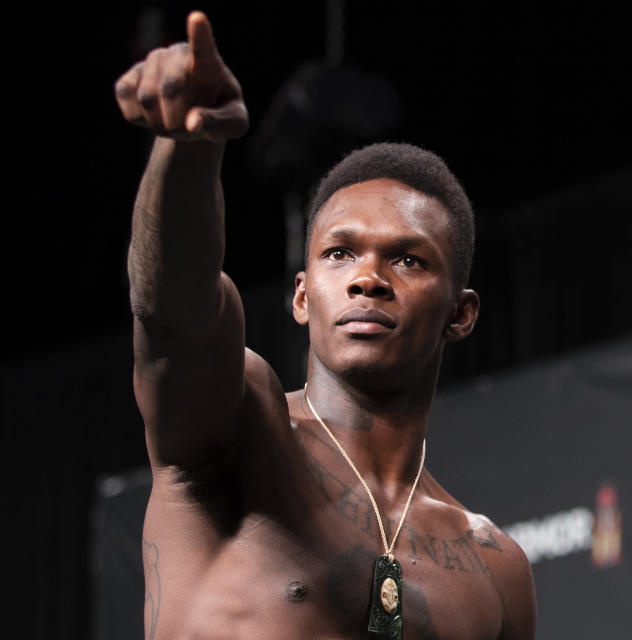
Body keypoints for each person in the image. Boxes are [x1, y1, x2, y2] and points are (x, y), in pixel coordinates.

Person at [115, 11, 536, 640]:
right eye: (340, 253)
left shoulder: (496, 568)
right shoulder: (241, 429)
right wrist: (189, 147)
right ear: (303, 296)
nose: (368, 278)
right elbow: (172, 310)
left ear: (460, 313)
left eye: (407, 258)